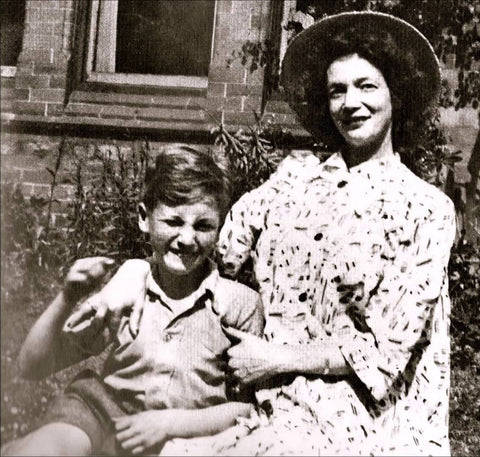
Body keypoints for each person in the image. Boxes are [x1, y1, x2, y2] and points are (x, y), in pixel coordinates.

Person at [208, 11, 456, 456]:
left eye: (366, 86)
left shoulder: (426, 209)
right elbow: (221, 252)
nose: (350, 103)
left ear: (395, 95)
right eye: (336, 91)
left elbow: (385, 352)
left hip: (365, 419)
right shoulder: (294, 178)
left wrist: (276, 357)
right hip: (267, 395)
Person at [1, 145, 264, 456]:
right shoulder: (127, 290)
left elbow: (248, 409)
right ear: (144, 218)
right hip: (103, 414)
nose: (187, 238)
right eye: (173, 222)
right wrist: (67, 297)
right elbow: (33, 366)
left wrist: (168, 423)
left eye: (203, 225)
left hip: (189, 436)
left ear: (219, 227)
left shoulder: (238, 305)